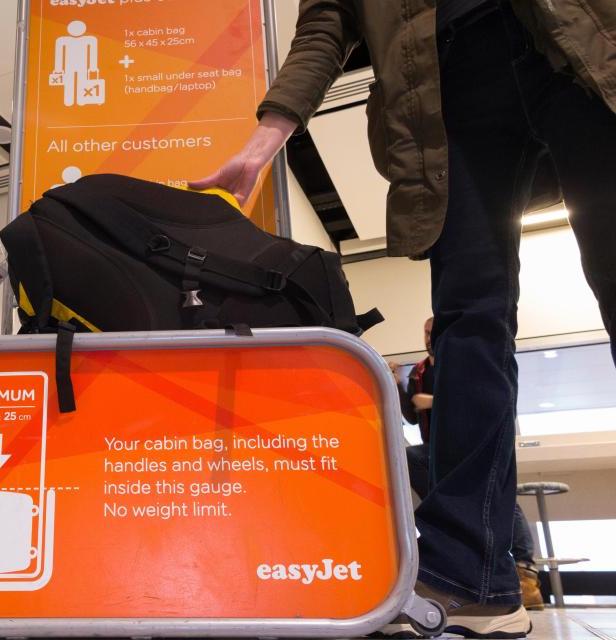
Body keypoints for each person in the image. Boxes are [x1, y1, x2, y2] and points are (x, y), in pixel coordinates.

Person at [191, 2, 614, 636]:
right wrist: (270, 131)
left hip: (578, 37)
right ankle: (470, 579)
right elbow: (327, 20)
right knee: (467, 323)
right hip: (447, 83)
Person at [390, 317, 544, 611]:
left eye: (432, 331)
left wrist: (434, 401)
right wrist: (397, 384)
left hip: (474, 441)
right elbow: (411, 415)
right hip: (439, 448)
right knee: (412, 459)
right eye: (425, 332)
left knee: (494, 490)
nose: (428, 337)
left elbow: (480, 397)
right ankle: (449, 514)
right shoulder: (420, 371)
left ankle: (526, 570)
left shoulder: (462, 361)